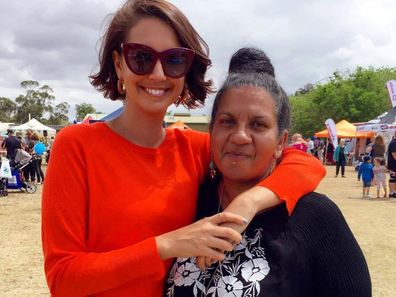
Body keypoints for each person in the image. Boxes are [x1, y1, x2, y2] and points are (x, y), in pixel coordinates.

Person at [41, 1, 325, 296]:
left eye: (174, 60)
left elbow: (304, 164)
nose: (158, 73)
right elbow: (63, 279)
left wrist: (248, 202)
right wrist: (167, 245)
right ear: (118, 63)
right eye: (141, 57)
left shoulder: (195, 149)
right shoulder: (76, 146)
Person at [165, 47, 371, 296]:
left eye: (258, 124)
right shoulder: (194, 199)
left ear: (281, 142)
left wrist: (250, 201)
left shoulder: (315, 217)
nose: (239, 136)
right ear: (212, 130)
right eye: (227, 121)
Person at [387, 132, 396, 198]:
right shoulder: (394, 143)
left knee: (394, 178)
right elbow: (394, 154)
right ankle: (391, 193)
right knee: (393, 178)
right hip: (393, 164)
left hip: (393, 163)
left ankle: (394, 192)